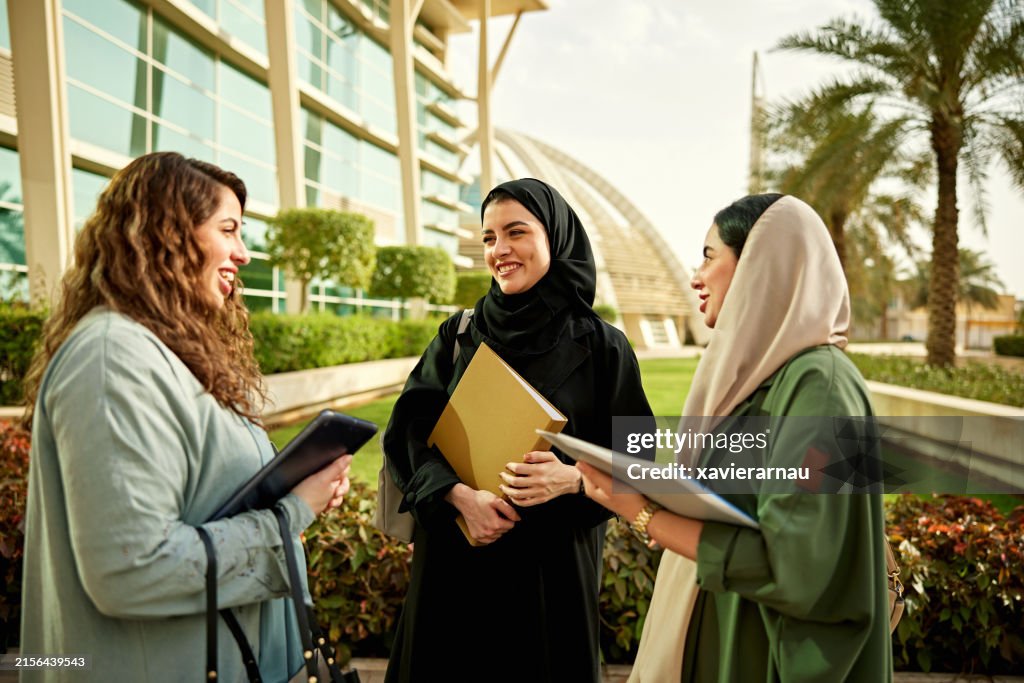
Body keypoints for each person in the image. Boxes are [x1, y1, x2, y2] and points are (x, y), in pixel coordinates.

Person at [19, 152, 352, 682]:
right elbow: (132, 569)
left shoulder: (166, 352)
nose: (243, 254)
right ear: (167, 233)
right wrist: (292, 515)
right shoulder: (113, 358)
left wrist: (296, 489)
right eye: (229, 230)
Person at [578, 194, 893, 682]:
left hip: (762, 653)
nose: (694, 276)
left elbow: (794, 562)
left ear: (762, 267)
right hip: (724, 638)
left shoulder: (820, 388)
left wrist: (640, 512)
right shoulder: (756, 385)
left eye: (708, 256)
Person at [382, 178, 653, 682]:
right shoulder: (459, 334)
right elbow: (406, 432)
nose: (500, 250)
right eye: (488, 238)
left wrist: (572, 478)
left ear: (554, 236)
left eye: (516, 232)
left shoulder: (602, 348)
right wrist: (458, 496)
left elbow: (640, 459)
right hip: (454, 574)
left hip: (549, 583)